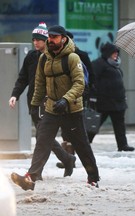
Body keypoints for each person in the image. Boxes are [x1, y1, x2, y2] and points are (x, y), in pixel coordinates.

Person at [10, 25, 100, 191]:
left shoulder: (72, 58)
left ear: (63, 39)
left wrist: (65, 100)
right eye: (49, 37)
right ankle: (31, 178)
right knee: (42, 142)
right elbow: (39, 84)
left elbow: (80, 84)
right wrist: (34, 105)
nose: (51, 40)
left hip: (71, 109)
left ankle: (93, 177)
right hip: (51, 109)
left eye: (55, 37)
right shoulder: (44, 59)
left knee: (81, 145)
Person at [8, 22, 76, 182]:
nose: (36, 42)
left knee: (43, 136)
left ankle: (35, 173)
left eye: (39, 39)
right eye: (34, 40)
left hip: (49, 102)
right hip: (33, 102)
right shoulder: (31, 57)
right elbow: (22, 78)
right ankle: (67, 159)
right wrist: (14, 95)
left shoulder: (54, 57)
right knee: (43, 136)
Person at [56, 30, 96, 169]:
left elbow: (90, 75)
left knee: (76, 128)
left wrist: (88, 94)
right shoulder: (58, 56)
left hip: (78, 97)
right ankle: (68, 158)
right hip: (61, 98)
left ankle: (82, 162)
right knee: (64, 128)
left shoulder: (81, 55)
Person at [91, 42, 135, 152]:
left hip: (118, 101)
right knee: (95, 123)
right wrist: (93, 97)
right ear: (107, 53)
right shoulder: (98, 64)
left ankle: (122, 145)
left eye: (117, 52)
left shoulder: (115, 65)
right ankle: (85, 142)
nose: (116, 55)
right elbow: (92, 80)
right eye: (113, 53)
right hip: (104, 101)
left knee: (119, 125)